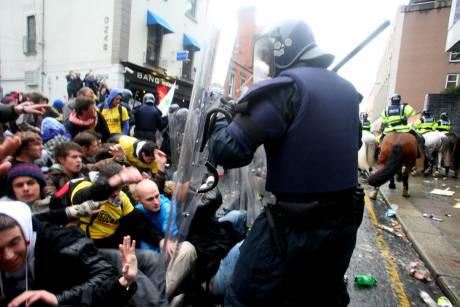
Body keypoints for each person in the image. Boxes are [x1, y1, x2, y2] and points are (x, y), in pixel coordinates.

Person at [207, 20, 364, 306]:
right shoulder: (348, 92)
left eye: (268, 56)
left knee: (242, 296)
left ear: (283, 52)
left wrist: (221, 118)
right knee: (321, 298)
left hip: (295, 229)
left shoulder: (286, 90)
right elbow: (351, 145)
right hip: (343, 228)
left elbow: (229, 151)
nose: (267, 64)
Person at [0, 200, 137, 306]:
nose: (8, 256)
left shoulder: (68, 246)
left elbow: (107, 278)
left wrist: (58, 298)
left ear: (27, 235)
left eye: (14, 243)